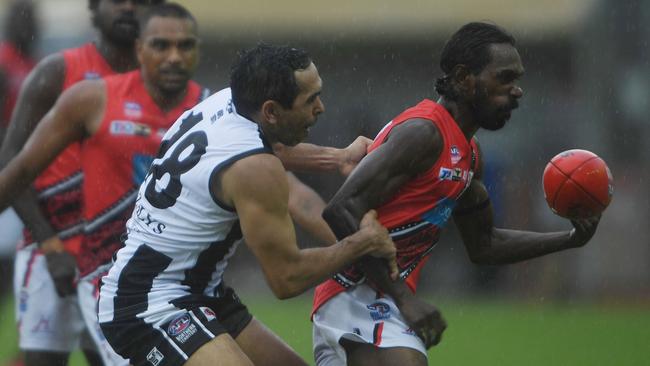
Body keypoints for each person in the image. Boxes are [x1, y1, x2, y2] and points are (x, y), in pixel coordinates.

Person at [311, 22, 602, 366]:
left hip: (381, 299)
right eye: (505, 78)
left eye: (517, 79)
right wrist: (405, 299)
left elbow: (485, 245)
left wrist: (569, 239)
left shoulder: (469, 154)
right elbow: (340, 209)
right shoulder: (423, 133)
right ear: (464, 78)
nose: (517, 91)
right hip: (353, 294)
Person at [96, 43, 397, 366]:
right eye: (310, 100)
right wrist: (359, 244)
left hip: (198, 289)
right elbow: (287, 278)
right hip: (147, 304)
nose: (321, 108)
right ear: (270, 111)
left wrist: (336, 157)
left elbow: (269, 147)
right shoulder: (254, 169)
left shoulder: (228, 101)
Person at [0, 1, 165, 364]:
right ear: (93, 8)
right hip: (52, 250)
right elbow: (12, 161)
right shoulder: (56, 72)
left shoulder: (162, 82)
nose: (127, 7)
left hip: (119, 259)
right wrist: (50, 243)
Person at [0, 0, 38, 300]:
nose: (26, 26)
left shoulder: (35, 63)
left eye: (30, 20)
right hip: (8, 164)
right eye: (19, 19)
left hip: (22, 168)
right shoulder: (4, 60)